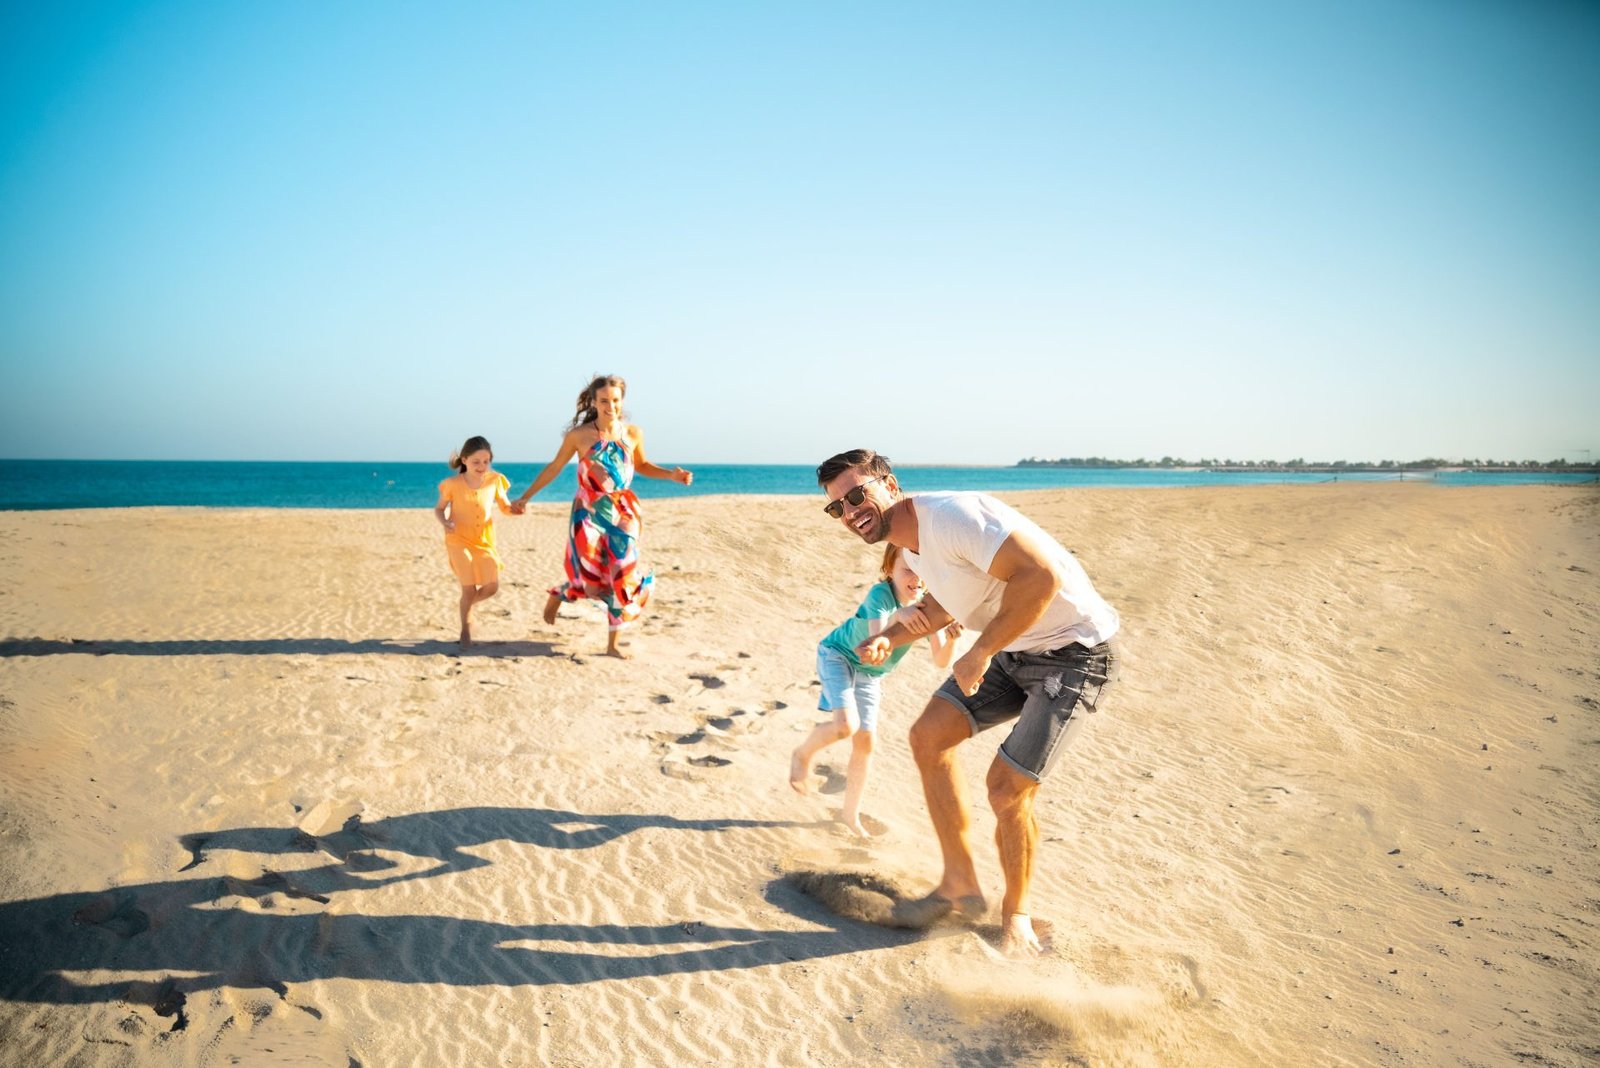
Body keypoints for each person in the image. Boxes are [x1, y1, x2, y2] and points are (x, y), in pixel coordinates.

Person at [816, 448, 1122, 958]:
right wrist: (890, 636)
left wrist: (980, 652)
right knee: (928, 737)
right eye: (836, 507)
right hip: (1016, 648)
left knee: (1006, 789)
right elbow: (945, 601)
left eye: (855, 495)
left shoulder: (953, 517)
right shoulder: (911, 546)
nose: (849, 512)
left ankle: (1017, 919)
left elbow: (1041, 577)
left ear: (889, 484)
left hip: (1075, 655)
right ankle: (959, 886)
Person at [510, 375, 692, 658]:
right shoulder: (579, 436)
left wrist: (671, 475)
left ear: (622, 401)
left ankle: (612, 645)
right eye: (604, 400)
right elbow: (554, 467)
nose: (611, 406)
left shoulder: (633, 433)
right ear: (594, 402)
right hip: (588, 511)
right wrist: (526, 496)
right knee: (592, 582)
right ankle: (561, 593)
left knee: (622, 571)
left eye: (616, 400)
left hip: (623, 511)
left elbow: (642, 464)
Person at [789, 544, 961, 837]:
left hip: (870, 676)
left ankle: (850, 814)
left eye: (923, 569)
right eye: (908, 569)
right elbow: (875, 644)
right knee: (846, 726)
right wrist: (900, 616)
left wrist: (952, 639)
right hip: (839, 655)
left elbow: (941, 660)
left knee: (866, 742)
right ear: (889, 570)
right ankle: (802, 755)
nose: (917, 578)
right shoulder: (880, 595)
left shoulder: (928, 605)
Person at [434, 436, 515, 646]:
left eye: (486, 461)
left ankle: (466, 606)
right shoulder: (452, 485)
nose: (481, 466)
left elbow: (505, 507)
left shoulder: (495, 480)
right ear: (464, 460)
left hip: (483, 541)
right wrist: (445, 522)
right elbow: (439, 509)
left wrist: (515, 509)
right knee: (469, 588)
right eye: (476, 461)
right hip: (457, 538)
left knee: (492, 586)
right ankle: (465, 629)